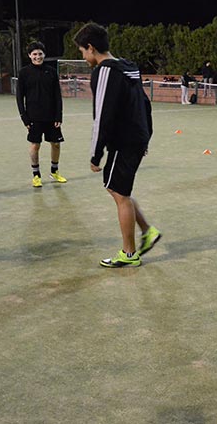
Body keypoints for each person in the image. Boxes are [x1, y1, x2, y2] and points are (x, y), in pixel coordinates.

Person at [74, 22, 162, 267]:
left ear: (91, 48)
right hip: (136, 138)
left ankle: (130, 254)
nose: (83, 57)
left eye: (82, 51)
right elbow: (145, 104)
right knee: (119, 189)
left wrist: (95, 154)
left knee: (119, 194)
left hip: (124, 142)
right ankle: (148, 231)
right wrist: (146, 135)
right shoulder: (128, 67)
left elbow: (101, 116)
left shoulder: (105, 72)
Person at [16, 41, 67, 188]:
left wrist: (59, 116)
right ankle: (36, 175)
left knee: (56, 144)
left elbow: (57, 95)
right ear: (29, 56)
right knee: (35, 146)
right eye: (34, 54)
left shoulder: (51, 71)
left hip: (51, 117)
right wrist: (24, 118)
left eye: (40, 54)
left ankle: (54, 171)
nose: (37, 57)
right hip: (33, 117)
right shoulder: (24, 73)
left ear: (44, 55)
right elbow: (20, 97)